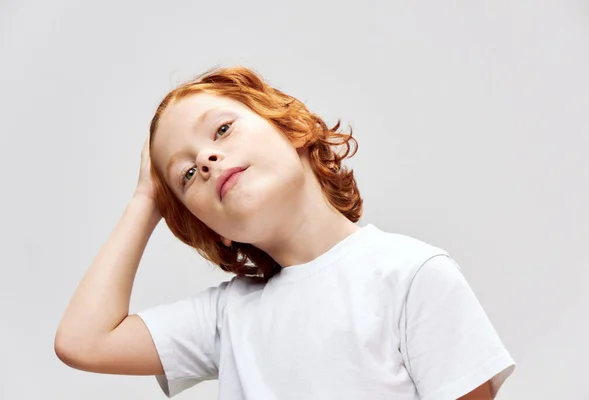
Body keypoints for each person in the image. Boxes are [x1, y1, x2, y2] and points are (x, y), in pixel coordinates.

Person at [54, 66, 515, 399]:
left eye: (222, 129)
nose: (206, 161)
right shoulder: (227, 316)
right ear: (212, 230)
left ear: (290, 127)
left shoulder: (412, 275)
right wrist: (146, 200)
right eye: (186, 174)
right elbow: (83, 341)